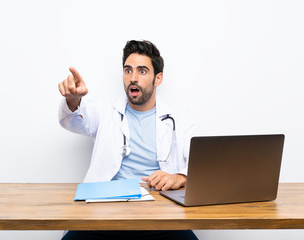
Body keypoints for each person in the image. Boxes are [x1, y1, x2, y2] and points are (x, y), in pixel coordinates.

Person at [58, 40, 199, 240]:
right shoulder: (106, 109)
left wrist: (179, 177)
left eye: (142, 71)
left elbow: (201, 165)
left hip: (161, 214)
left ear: (157, 78)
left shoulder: (180, 116)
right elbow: (72, 121)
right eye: (128, 70)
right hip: (103, 213)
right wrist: (73, 99)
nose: (133, 78)